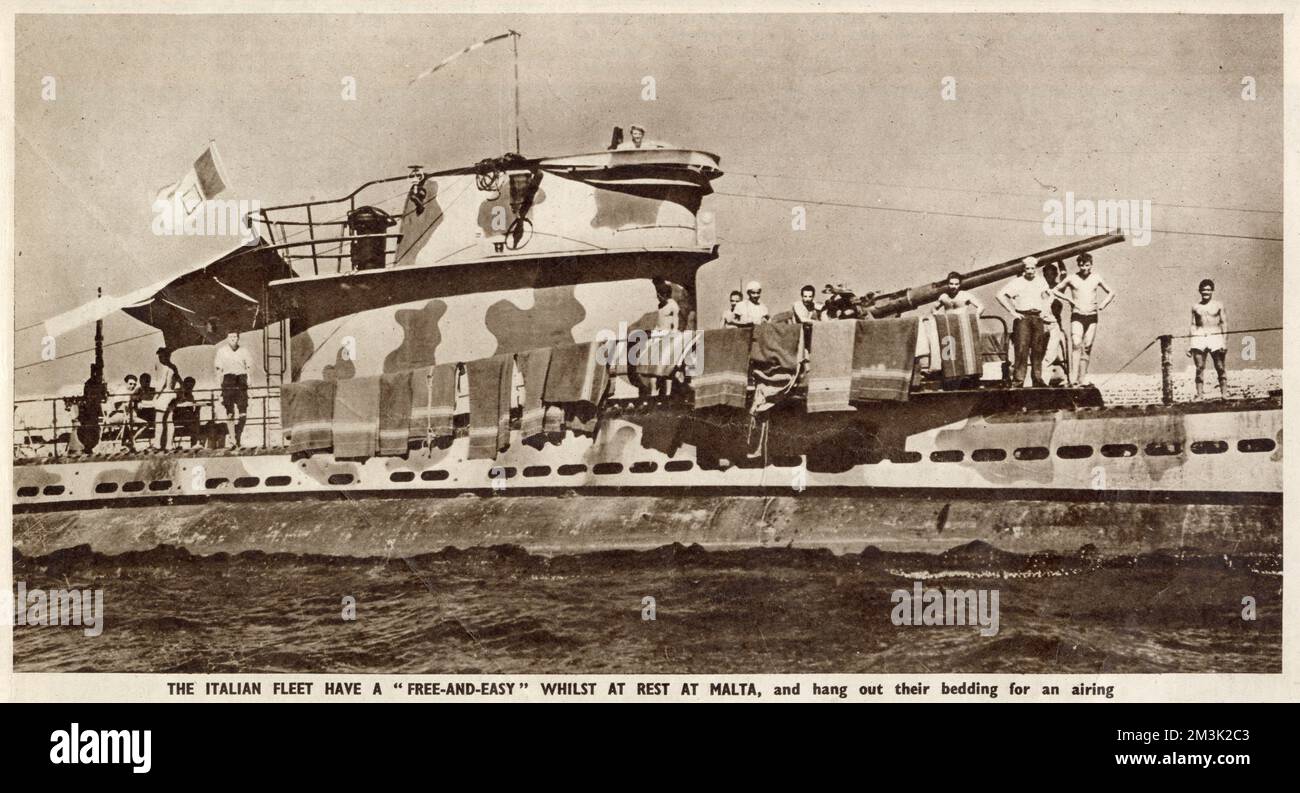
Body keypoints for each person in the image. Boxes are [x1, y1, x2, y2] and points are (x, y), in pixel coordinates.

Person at [1050, 253, 1116, 384]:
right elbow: (1055, 290)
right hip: (1077, 315)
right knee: (1076, 343)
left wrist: (1103, 304)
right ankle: (1072, 378)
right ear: (1078, 265)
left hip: (1092, 315)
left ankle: (1082, 378)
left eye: (1087, 265)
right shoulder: (1072, 278)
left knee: (1087, 346)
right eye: (1081, 265)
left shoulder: (1096, 277)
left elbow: (1111, 292)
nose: (1084, 268)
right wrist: (1069, 298)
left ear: (1091, 265)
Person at [996, 257, 1053, 387]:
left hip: (1038, 317)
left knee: (1038, 350)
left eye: (1032, 268)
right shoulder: (1017, 282)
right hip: (1023, 318)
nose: (1030, 271)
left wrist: (1045, 310)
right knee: (1021, 349)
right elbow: (1000, 295)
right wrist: (1013, 312)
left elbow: (1050, 295)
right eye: (1027, 268)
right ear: (1023, 269)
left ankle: (1037, 379)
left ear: (1035, 269)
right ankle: (1018, 380)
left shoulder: (1040, 281)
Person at [214, 330, 256, 448]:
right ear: (227, 338)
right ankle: (233, 439)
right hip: (228, 380)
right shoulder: (221, 351)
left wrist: (250, 382)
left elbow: (248, 368)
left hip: (241, 380)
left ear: (238, 338)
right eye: (231, 336)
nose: (233, 339)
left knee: (243, 411)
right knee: (230, 412)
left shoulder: (244, 351)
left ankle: (238, 435)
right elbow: (219, 370)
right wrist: (218, 387)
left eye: (235, 336)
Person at [1188, 278, 1228, 400]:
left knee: (1220, 366)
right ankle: (1200, 395)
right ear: (1200, 291)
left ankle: (1224, 394)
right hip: (1200, 337)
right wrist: (1190, 344)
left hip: (1215, 336)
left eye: (1208, 290)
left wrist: (1224, 342)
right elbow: (1193, 325)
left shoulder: (1218, 305)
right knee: (1199, 367)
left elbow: (1224, 323)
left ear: (1212, 291)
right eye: (1204, 290)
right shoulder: (1195, 307)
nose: (1206, 292)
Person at [150, 347, 182, 449]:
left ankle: (157, 443)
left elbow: (162, 385)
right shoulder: (174, 367)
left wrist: (155, 397)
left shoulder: (166, 368)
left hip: (165, 394)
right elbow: (180, 382)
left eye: (161, 356)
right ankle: (169, 444)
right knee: (169, 419)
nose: (160, 359)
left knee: (158, 420)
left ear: (166, 356)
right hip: (172, 394)